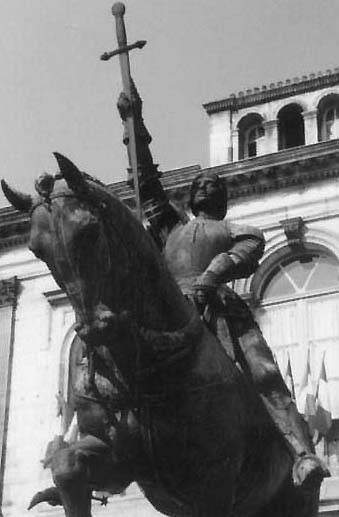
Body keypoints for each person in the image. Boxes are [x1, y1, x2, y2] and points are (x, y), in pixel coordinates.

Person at [117, 84, 329, 486]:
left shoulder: (241, 230)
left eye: (216, 184)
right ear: (192, 197)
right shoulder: (172, 227)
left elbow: (243, 257)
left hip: (219, 310)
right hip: (171, 310)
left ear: (224, 199)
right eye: (201, 184)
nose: (207, 185)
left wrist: (211, 276)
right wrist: (133, 121)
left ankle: (302, 452)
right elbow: (144, 180)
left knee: (263, 371)